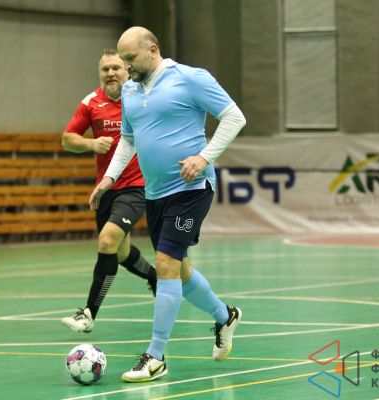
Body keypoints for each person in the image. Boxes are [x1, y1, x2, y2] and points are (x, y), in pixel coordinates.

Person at [89, 27, 247, 382]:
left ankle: (155, 357)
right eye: (122, 60)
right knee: (181, 271)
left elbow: (234, 117)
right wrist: (109, 178)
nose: (126, 67)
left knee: (165, 264)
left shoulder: (190, 78)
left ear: (152, 49)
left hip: (191, 188)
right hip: (155, 193)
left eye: (131, 59)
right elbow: (127, 141)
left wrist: (204, 157)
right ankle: (225, 317)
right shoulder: (130, 90)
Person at [60, 49, 157, 334]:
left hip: (137, 186)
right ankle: (155, 278)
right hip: (106, 188)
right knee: (120, 253)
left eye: (116, 68)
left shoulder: (142, 98)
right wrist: (91, 144)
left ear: (127, 70)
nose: (111, 73)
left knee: (107, 241)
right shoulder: (91, 102)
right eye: (105, 70)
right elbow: (67, 139)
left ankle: (89, 313)